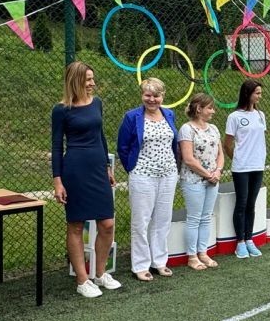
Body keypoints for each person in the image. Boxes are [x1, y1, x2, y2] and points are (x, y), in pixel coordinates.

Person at [51, 61, 120, 298]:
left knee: (107, 223)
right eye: (88, 79)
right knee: (76, 225)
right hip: (75, 170)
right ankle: (82, 280)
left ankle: (99, 274)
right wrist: (57, 181)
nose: (92, 83)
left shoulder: (97, 103)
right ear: (76, 81)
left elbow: (101, 137)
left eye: (93, 79)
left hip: (98, 169)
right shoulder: (61, 110)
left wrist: (108, 167)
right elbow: (56, 146)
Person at [117, 77, 180, 281]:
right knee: (141, 221)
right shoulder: (132, 117)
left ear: (163, 96)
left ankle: (159, 261)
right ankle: (140, 264)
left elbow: (173, 143)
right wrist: (132, 167)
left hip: (168, 174)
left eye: (156, 95)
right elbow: (123, 147)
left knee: (162, 219)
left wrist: (174, 168)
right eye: (148, 95)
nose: (152, 99)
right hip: (143, 175)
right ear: (142, 95)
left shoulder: (169, 114)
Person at [178, 93, 225, 271]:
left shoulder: (213, 128)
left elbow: (220, 154)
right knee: (194, 218)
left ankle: (202, 252)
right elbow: (188, 159)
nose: (213, 111)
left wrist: (218, 171)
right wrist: (208, 174)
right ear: (199, 109)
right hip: (194, 180)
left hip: (213, 179)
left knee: (206, 217)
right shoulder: (187, 129)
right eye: (210, 108)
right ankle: (192, 256)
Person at [224, 80, 267, 259]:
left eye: (260, 93)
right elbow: (227, 143)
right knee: (241, 203)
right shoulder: (234, 117)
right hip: (241, 167)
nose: (259, 96)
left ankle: (249, 239)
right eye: (257, 93)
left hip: (258, 165)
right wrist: (239, 159)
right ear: (247, 94)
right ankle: (240, 242)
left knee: (251, 203)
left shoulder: (260, 115)